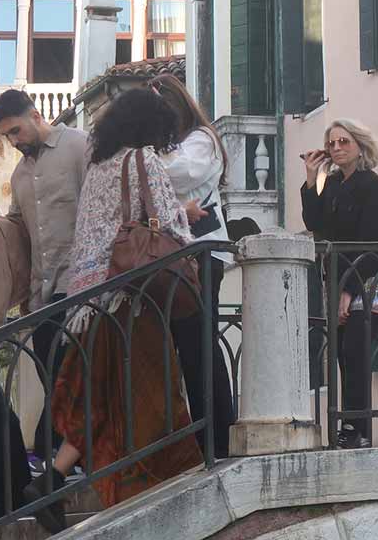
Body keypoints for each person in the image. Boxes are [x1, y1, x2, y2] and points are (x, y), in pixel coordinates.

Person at [43, 89, 203, 512]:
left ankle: (49, 485)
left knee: (98, 396)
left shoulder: (98, 166)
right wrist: (190, 232)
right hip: (132, 296)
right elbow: (168, 224)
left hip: (89, 301)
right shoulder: (143, 160)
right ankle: (149, 491)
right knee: (149, 397)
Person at [0, 90, 89, 454]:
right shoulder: (19, 173)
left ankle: (56, 456)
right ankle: (60, 460)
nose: (13, 141)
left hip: (80, 285)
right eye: (7, 135)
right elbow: (16, 223)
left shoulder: (79, 146)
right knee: (51, 377)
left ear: (36, 116)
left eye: (15, 131)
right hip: (41, 294)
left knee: (69, 379)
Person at [150, 74, 236, 459]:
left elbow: (181, 175)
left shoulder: (201, 140)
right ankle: (201, 437)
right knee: (187, 350)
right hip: (176, 257)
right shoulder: (168, 148)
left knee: (200, 347)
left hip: (201, 255)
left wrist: (147, 167)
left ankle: (218, 436)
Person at [301, 119, 378, 449]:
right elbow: (315, 224)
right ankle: (350, 427)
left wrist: (348, 291)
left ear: (359, 145)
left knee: (355, 349)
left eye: (344, 142)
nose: (337, 148)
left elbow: (373, 244)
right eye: (332, 143)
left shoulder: (373, 185)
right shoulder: (334, 185)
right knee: (342, 354)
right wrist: (312, 180)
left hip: (369, 280)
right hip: (338, 280)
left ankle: (358, 429)